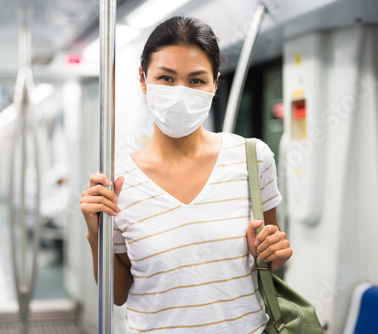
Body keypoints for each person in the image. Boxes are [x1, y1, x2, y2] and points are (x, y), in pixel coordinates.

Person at [80, 16, 292, 333]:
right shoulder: (118, 180)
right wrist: (96, 234)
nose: (180, 92)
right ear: (143, 79)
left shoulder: (253, 159)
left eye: (196, 81)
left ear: (215, 84)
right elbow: (118, 293)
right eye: (166, 78)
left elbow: (269, 257)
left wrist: (274, 252)